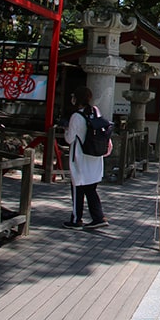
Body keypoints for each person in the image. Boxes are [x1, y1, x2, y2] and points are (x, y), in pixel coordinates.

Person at [63, 86, 108, 229]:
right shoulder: (95, 111)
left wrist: (65, 131)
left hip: (81, 157)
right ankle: (98, 217)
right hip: (95, 156)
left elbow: (70, 139)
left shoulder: (76, 116)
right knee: (91, 189)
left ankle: (76, 219)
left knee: (78, 188)